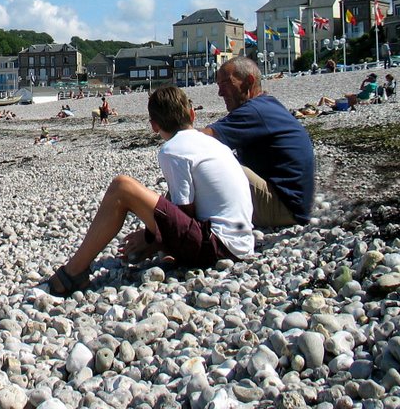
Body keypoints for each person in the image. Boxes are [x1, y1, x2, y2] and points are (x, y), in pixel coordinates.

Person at [33, 87, 253, 297]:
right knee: (163, 198)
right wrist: (154, 236)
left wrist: (151, 239)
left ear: (154, 126)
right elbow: (180, 206)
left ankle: (73, 273)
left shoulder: (174, 149)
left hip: (218, 247)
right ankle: (162, 254)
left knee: (122, 187)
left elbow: (186, 213)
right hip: (240, 241)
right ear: (192, 114)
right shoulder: (212, 144)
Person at [203, 57, 315, 227]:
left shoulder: (255, 111)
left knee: (207, 165)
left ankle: (172, 227)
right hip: (294, 205)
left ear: (248, 82)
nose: (220, 93)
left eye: (225, 84)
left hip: (284, 209)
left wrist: (170, 126)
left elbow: (199, 140)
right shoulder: (266, 105)